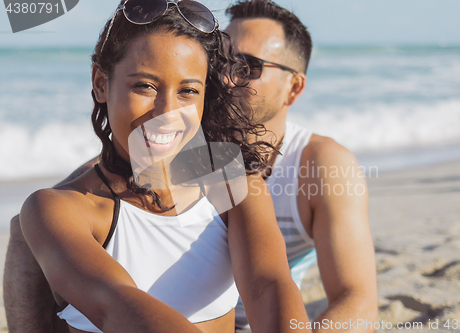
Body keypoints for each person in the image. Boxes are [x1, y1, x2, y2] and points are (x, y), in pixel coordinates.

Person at [6, 1, 311, 332]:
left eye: (188, 91)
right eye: (145, 86)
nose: (167, 112)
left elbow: (270, 284)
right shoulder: (60, 209)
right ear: (100, 83)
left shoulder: (232, 181)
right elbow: (117, 307)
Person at [224, 1, 378, 331]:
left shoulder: (318, 165)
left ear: (293, 88)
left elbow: (358, 301)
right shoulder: (180, 144)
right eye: (218, 60)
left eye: (247, 66)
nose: (224, 77)